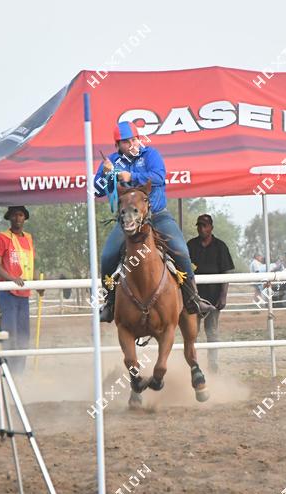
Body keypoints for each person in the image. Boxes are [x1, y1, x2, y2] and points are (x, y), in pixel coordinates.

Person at [94, 121, 212, 322]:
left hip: (157, 216)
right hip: (128, 221)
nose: (132, 144)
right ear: (117, 145)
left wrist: (131, 176)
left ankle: (193, 298)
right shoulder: (111, 162)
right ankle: (110, 302)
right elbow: (97, 191)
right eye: (126, 142)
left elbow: (158, 177)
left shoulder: (151, 155)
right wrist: (105, 174)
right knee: (107, 257)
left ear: (139, 139)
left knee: (181, 250)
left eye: (134, 139)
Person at [0, 205, 35, 375]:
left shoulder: (28, 238)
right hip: (8, 293)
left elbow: (30, 264)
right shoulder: (1, 237)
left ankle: (19, 373)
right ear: (9, 217)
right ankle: (7, 373)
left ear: (25, 218)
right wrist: (12, 279)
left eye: (20, 215)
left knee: (24, 336)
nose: (17, 218)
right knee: (10, 334)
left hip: (24, 293)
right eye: (14, 215)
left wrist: (38, 284)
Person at [187, 214, 235, 373]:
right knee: (192, 333)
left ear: (211, 228)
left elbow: (226, 272)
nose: (201, 229)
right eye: (199, 226)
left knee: (212, 332)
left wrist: (223, 295)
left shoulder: (220, 246)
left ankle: (213, 365)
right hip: (194, 298)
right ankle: (193, 364)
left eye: (204, 225)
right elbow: (184, 270)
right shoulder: (191, 245)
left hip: (214, 298)